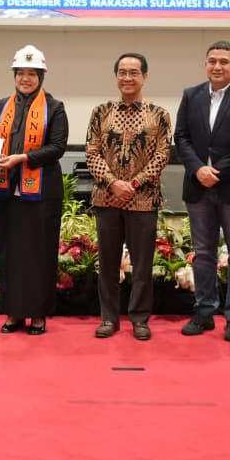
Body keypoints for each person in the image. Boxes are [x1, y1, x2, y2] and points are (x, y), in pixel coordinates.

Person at [175, 41, 230, 341]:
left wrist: (218, 171)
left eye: (224, 61)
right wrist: (198, 169)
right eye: (212, 61)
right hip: (198, 186)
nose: (217, 66)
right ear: (205, 64)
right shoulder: (191, 95)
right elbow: (181, 137)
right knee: (203, 254)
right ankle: (204, 312)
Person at [85, 53, 171, 341]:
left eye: (134, 72)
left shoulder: (159, 114)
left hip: (143, 200)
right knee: (108, 264)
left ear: (144, 77)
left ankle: (140, 319)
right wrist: (113, 183)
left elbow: (162, 155)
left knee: (142, 265)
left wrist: (132, 184)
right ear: (116, 77)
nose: (127, 78)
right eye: (122, 72)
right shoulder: (100, 112)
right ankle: (109, 318)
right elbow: (92, 152)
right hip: (106, 198)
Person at [0, 45, 68, 335]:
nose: (25, 78)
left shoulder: (55, 108)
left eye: (32, 73)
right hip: (7, 191)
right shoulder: (2, 106)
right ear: (14, 75)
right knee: (10, 252)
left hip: (42, 193)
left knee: (39, 254)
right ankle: (13, 312)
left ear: (41, 77)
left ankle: (38, 314)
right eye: (20, 73)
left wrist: (22, 158)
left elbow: (57, 148)